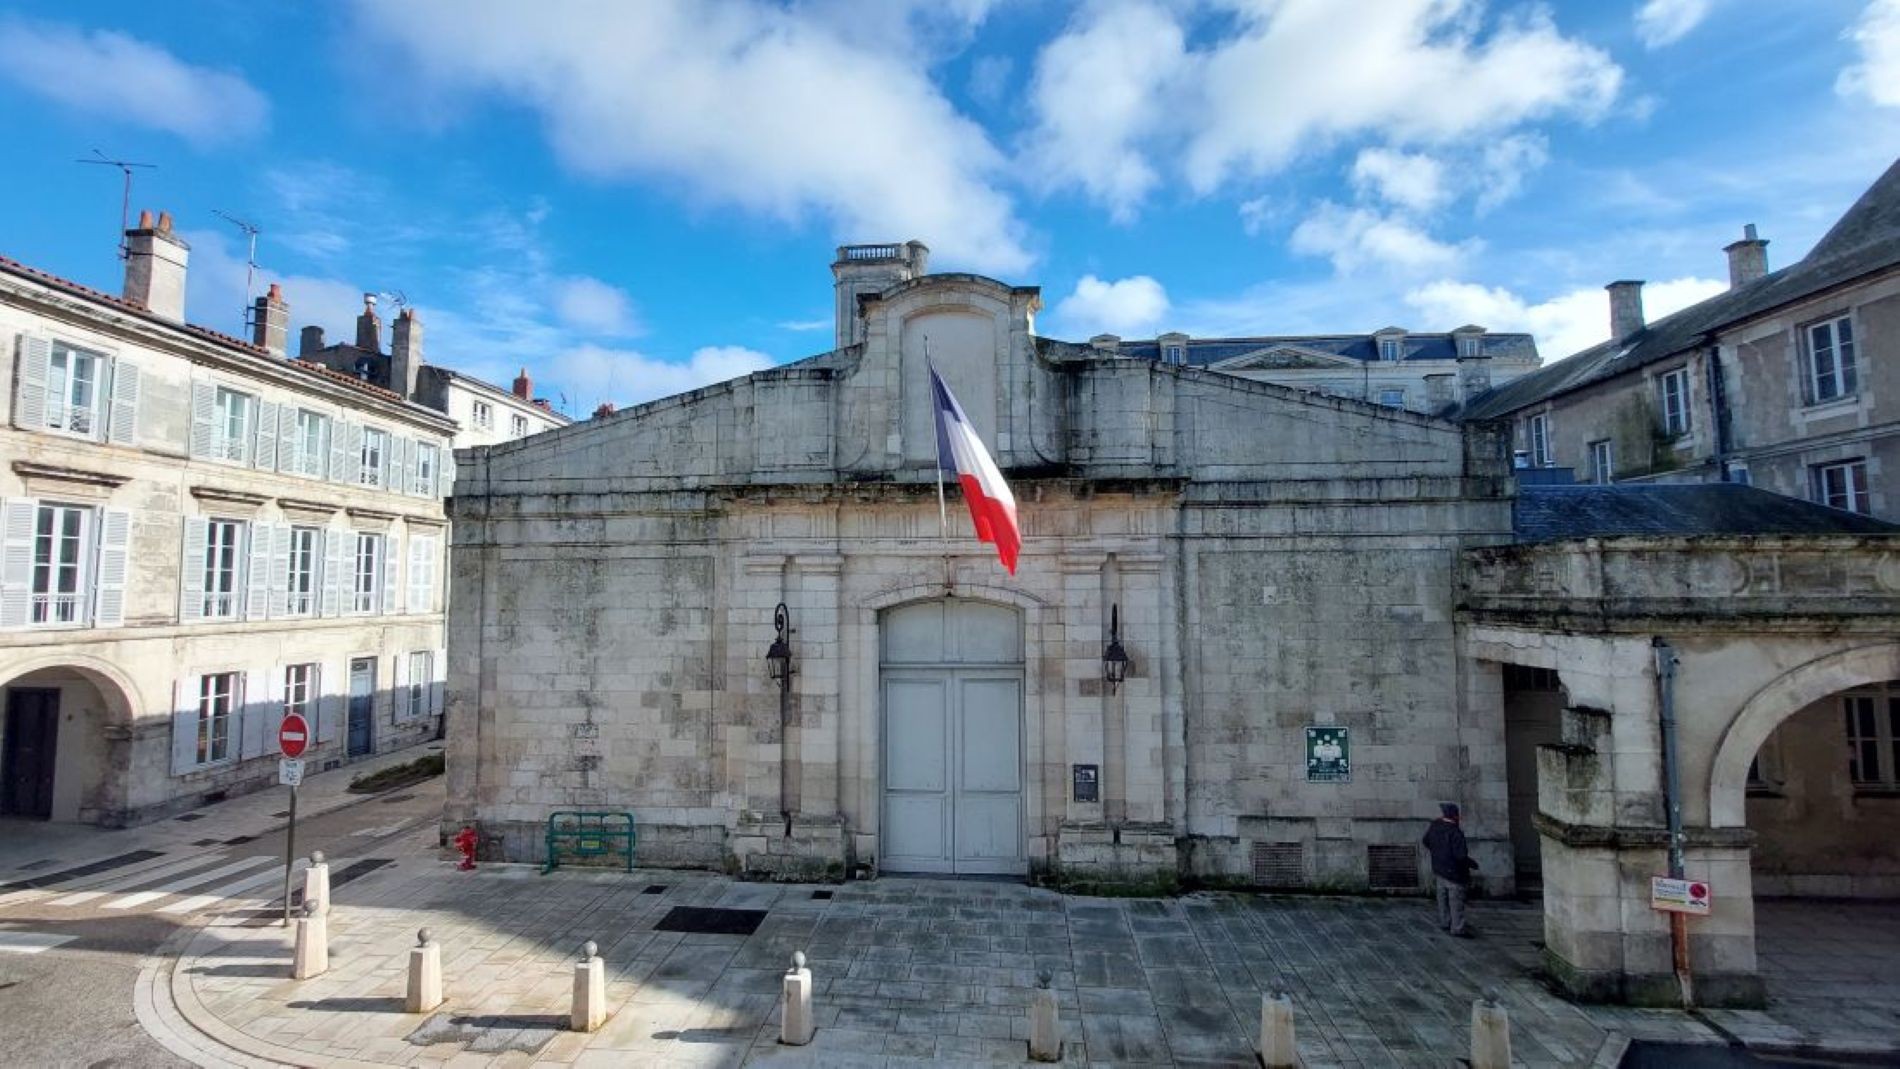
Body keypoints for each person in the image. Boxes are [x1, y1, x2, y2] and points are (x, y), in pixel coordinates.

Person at [1422, 802, 1478, 937]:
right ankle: (1457, 927)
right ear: (1455, 816)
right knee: (1456, 900)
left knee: (1442, 898)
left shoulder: (1435, 825)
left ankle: (1445, 921)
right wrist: (1472, 864)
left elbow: (1426, 841)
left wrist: (1437, 852)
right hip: (1454, 872)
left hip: (1439, 868)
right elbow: (1461, 856)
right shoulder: (1455, 832)